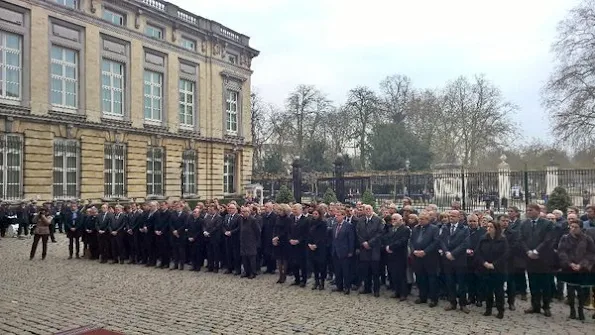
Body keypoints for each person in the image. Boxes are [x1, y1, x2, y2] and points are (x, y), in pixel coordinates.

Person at [557, 218, 595, 321]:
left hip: (582, 268)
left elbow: (591, 253)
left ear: (581, 228)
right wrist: (570, 263)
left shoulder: (587, 239)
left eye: (576, 227)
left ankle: (580, 310)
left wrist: (582, 264)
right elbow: (562, 251)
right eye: (571, 227)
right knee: (570, 290)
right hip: (569, 268)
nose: (573, 229)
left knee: (581, 291)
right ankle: (572, 310)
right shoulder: (565, 238)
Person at [475, 219, 509, 319]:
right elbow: (478, 252)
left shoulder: (502, 239)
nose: (488, 229)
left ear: (496, 229)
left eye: (491, 227)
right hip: (485, 269)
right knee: (488, 290)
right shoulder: (483, 238)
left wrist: (494, 264)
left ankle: (500, 310)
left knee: (499, 291)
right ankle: (488, 309)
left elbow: (505, 254)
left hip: (498, 269)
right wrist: (484, 263)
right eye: (487, 227)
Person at [307, 208, 328, 290]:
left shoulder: (323, 223)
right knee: (314, 266)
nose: (314, 215)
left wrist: (317, 245)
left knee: (321, 266)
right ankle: (316, 282)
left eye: (316, 214)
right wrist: (309, 244)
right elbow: (308, 234)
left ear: (319, 215)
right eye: (313, 214)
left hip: (320, 248)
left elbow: (323, 236)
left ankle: (322, 283)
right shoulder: (311, 223)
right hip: (311, 247)